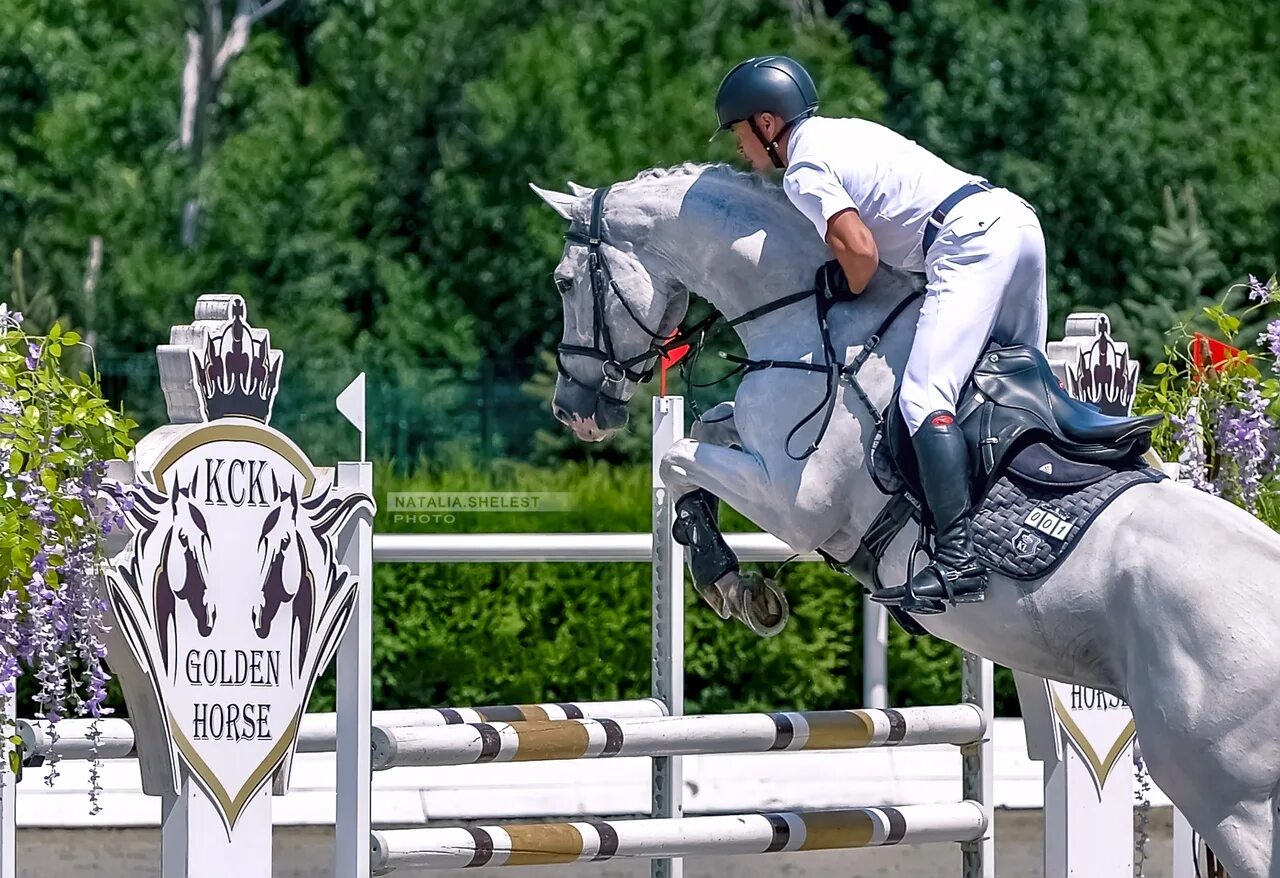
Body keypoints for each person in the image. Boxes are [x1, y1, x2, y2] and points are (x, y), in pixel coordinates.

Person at [713, 55, 1048, 608]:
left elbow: (861, 254)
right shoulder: (845, 133)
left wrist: (842, 285)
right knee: (1013, 382)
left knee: (923, 398)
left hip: (967, 242)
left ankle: (957, 562)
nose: (737, 146)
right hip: (1015, 222)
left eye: (737, 131)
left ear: (767, 124)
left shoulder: (803, 168)